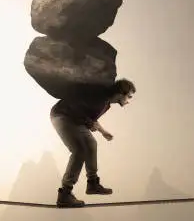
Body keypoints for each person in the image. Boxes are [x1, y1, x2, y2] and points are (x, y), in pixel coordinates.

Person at [50, 78, 136, 208]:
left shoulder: (106, 103)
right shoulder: (99, 97)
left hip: (73, 118)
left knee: (91, 144)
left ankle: (92, 184)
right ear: (120, 94)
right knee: (80, 151)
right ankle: (65, 194)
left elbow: (90, 117)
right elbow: (75, 109)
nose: (129, 100)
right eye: (129, 96)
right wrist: (90, 124)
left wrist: (103, 132)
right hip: (62, 116)